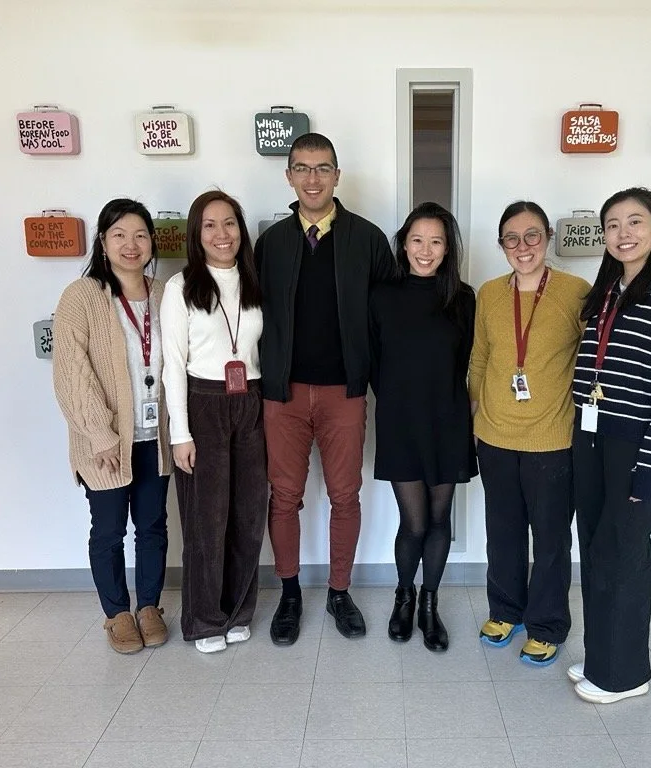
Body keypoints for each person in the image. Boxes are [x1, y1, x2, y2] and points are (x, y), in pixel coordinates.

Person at [254, 132, 397, 645]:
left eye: (323, 168)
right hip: (284, 394)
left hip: (345, 393)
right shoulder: (270, 242)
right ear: (289, 176)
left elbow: (388, 318)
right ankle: (290, 592)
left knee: (345, 495)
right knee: (285, 496)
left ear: (338, 175)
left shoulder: (368, 238)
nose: (313, 178)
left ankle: (339, 591)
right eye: (302, 168)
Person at [569, 187, 651, 704]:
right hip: (590, 437)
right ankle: (602, 655)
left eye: (634, 222)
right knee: (598, 551)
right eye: (612, 225)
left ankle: (625, 674)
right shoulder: (606, 292)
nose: (623, 234)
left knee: (625, 556)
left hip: (636, 446)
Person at [469, 201, 589, 667]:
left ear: (548, 239)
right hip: (495, 435)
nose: (523, 247)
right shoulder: (489, 294)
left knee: (552, 538)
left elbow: (593, 360)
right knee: (502, 532)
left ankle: (547, 625)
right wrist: (469, 417)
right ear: (501, 246)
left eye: (532, 235)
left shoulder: (576, 292)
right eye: (512, 239)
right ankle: (506, 610)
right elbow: (480, 358)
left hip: (553, 438)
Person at [53, 198, 171, 655]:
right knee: (107, 531)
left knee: (153, 527)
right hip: (105, 443)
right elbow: (70, 372)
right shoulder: (81, 296)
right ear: (103, 242)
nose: (131, 244)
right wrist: (101, 434)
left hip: (153, 438)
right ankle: (117, 613)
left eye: (140, 235)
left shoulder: (162, 294)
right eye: (119, 234)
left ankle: (149, 608)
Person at [161, 190, 266, 654]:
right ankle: (205, 620)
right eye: (209, 225)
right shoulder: (180, 287)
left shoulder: (256, 281)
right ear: (196, 234)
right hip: (203, 402)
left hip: (251, 401)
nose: (221, 234)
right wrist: (180, 433)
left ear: (241, 230)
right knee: (207, 521)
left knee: (247, 514)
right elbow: (172, 365)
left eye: (229, 223)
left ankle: (239, 611)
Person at [369, 202, 477, 652]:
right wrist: (392, 402)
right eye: (417, 240)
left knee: (439, 520)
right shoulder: (381, 294)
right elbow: (371, 359)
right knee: (412, 522)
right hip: (400, 421)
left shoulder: (463, 298)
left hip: (448, 420)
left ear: (448, 248)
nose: (426, 250)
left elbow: (472, 360)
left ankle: (430, 602)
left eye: (436, 241)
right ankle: (404, 596)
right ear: (404, 243)